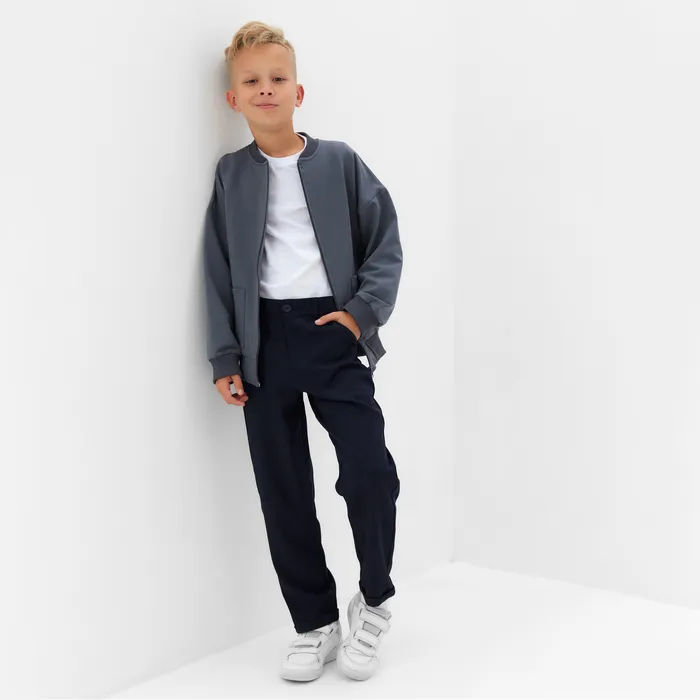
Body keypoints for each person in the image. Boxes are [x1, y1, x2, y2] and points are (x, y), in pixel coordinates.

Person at [203, 20, 402, 683]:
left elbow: (385, 244)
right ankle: (314, 622)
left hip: (332, 334)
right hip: (263, 344)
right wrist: (226, 357)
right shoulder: (231, 175)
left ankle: (373, 600)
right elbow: (218, 268)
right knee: (282, 489)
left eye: (278, 78)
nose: (266, 89)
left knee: (369, 472)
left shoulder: (339, 161)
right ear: (233, 98)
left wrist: (358, 317)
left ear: (299, 91)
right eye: (251, 81)